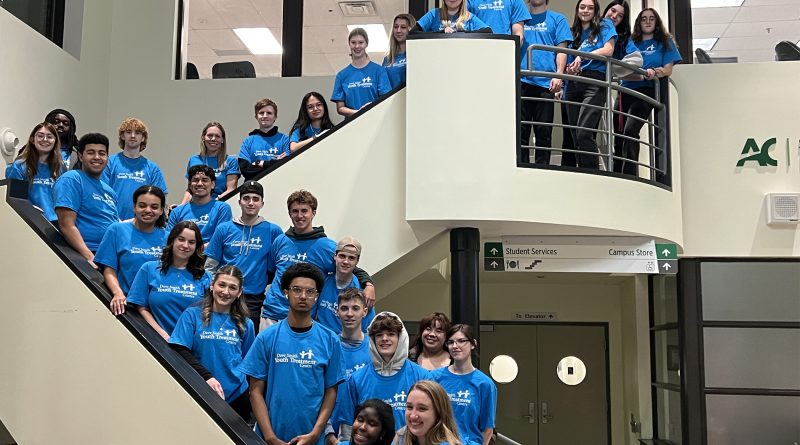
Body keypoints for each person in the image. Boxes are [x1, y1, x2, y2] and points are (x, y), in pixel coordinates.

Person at [239, 263, 345, 445]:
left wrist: (315, 433)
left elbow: (331, 391)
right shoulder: (267, 338)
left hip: (313, 438)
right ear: (285, 292)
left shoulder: (330, 340)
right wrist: (270, 437)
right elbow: (255, 390)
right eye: (297, 290)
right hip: (269, 437)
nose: (303, 296)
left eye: (310, 292)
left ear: (317, 296)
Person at [260, 190, 376, 330]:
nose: (300, 215)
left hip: (303, 317)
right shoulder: (281, 241)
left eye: (304, 211)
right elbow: (271, 272)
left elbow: (349, 267)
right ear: (290, 213)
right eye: (295, 211)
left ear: (313, 213)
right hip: (271, 313)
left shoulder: (327, 247)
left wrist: (369, 285)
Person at [169, 265, 255, 419]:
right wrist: (207, 377)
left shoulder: (246, 323)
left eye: (232, 288)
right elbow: (179, 350)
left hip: (236, 396)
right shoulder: (192, 315)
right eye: (221, 285)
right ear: (212, 286)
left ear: (239, 292)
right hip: (199, 390)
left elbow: (247, 362)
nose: (226, 292)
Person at [337, 312, 429, 440]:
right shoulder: (357, 378)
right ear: (373, 340)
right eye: (379, 335)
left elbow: (431, 422)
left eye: (391, 334)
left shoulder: (422, 376)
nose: (384, 338)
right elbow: (347, 425)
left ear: (400, 338)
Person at [205, 180, 282, 333]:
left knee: (246, 337)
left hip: (252, 299)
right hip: (223, 294)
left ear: (262, 203)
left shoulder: (273, 231)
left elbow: (276, 267)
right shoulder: (224, 229)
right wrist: (214, 289)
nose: (250, 203)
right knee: (217, 334)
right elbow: (210, 265)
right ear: (239, 202)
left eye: (255, 199)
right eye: (246, 198)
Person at [614, 8, 681, 175]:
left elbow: (667, 70)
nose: (648, 21)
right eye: (644, 19)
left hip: (646, 92)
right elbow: (619, 69)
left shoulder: (664, 41)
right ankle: (617, 173)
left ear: (656, 22)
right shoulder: (631, 41)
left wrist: (654, 72)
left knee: (631, 130)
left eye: (652, 18)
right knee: (619, 133)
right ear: (639, 22)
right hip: (625, 90)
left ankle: (629, 173)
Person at [127, 221, 211, 339]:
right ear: (172, 240)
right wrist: (162, 334)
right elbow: (141, 308)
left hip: (193, 345)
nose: (185, 245)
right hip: (159, 341)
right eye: (181, 239)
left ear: (196, 246)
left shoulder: (204, 276)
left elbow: (210, 315)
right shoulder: (149, 269)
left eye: (191, 242)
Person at [95, 185, 167, 315]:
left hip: (155, 309)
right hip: (126, 304)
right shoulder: (116, 230)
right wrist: (117, 293)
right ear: (134, 207)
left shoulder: (168, 237)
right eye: (142, 205)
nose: (148, 210)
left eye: (154, 207)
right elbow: (109, 269)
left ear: (162, 210)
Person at [563, 0, 617, 169]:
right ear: (577, 9)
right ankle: (582, 175)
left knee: (584, 133)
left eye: (590, 8)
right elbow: (568, 63)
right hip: (574, 83)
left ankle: (593, 176)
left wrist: (583, 56)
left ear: (596, 11)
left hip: (594, 81)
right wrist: (570, 69)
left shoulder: (604, 25)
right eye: (582, 7)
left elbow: (609, 50)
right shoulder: (574, 33)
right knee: (574, 135)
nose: (586, 10)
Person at [54, 133, 119, 267]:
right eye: (91, 152)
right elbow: (67, 225)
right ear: (80, 156)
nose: (97, 157)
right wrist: (89, 257)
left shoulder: (110, 191)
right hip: (87, 256)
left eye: (102, 153)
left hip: (110, 256)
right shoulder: (72, 179)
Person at [519, 0, 572, 165]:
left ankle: (543, 171)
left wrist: (559, 75)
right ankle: (523, 170)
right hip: (521, 81)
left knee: (544, 132)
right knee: (521, 133)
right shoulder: (519, 20)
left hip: (545, 83)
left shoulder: (558, 19)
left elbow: (561, 50)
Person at [430, 325, 497, 445]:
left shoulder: (485, 384)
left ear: (473, 344)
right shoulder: (434, 378)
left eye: (461, 341)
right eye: (451, 342)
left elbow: (487, 429)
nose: (455, 346)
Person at [326, 287, 374, 444]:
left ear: (365, 312)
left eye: (355, 308)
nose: (349, 314)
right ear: (337, 311)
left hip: (366, 430)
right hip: (329, 428)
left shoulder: (374, 349)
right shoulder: (329, 346)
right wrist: (327, 432)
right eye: (344, 308)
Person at [102, 118, 168, 220]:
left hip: (141, 224)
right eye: (129, 132)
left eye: (137, 133)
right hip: (111, 221)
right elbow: (101, 192)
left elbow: (159, 198)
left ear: (143, 138)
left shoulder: (152, 169)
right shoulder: (109, 162)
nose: (133, 136)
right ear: (123, 136)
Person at [314, 236, 376, 334]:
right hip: (322, 342)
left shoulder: (364, 292)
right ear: (335, 256)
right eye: (342, 256)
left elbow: (368, 331)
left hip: (346, 345)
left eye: (351, 258)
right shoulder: (323, 282)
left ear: (357, 262)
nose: (346, 261)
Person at [5, 123, 64, 222]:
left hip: (57, 223)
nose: (45, 139)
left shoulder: (60, 167)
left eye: (49, 136)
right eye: (40, 136)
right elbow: (16, 198)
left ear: (55, 141)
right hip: (31, 221)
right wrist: (29, 208)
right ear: (32, 139)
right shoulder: (19, 166)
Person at [332, 28, 392, 118]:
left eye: (360, 42)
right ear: (349, 44)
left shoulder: (379, 71)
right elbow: (340, 108)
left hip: (375, 120)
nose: (357, 46)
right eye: (353, 42)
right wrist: (358, 112)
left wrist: (369, 109)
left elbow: (386, 100)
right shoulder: (342, 75)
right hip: (351, 124)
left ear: (366, 44)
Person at [167, 165, 233, 244]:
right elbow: (170, 240)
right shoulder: (177, 212)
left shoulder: (222, 208)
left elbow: (221, 239)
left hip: (210, 255)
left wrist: (197, 251)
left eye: (205, 180)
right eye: (195, 180)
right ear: (190, 185)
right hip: (183, 252)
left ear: (213, 184)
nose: (200, 183)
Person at [181, 122, 240, 203]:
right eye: (210, 135)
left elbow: (231, 190)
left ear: (222, 140)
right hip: (196, 205)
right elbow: (190, 189)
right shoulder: (194, 160)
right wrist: (181, 207)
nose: (213, 139)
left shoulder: (230, 161)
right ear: (203, 138)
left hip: (220, 205)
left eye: (217, 136)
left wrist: (212, 204)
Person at [238, 98, 291, 180]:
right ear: (256, 116)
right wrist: (273, 163)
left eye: (269, 113)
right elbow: (245, 170)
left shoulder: (285, 140)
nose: (265, 116)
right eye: (261, 113)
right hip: (253, 188)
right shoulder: (248, 141)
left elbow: (285, 167)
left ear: (275, 117)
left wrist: (259, 163)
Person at [399, 380, 462, 445]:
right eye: (409, 407)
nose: (412, 416)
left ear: (438, 414)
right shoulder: (401, 437)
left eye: (422, 409)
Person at [382, 14, 416, 89]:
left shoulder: (415, 56)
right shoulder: (387, 60)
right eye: (396, 27)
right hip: (391, 99)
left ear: (410, 30)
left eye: (403, 27)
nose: (398, 30)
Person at [417, 0, 492, 33]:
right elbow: (413, 33)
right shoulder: (433, 14)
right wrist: (440, 32)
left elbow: (488, 31)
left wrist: (464, 33)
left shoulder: (469, 17)